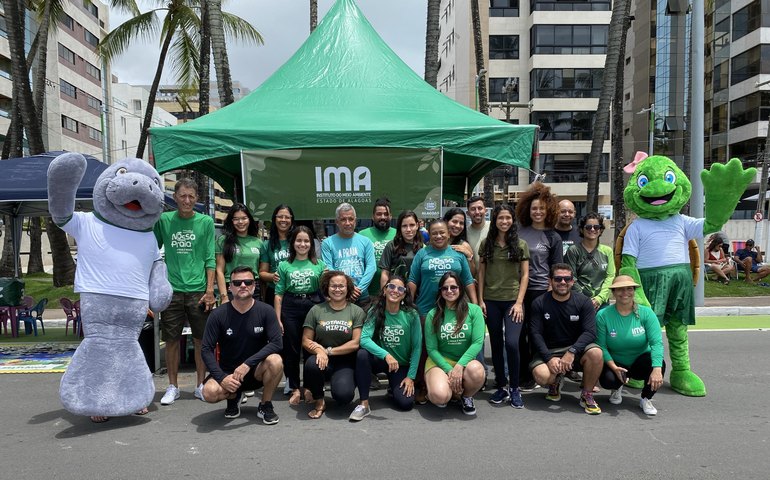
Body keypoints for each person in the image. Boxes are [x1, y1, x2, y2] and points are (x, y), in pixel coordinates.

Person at [154, 178, 216, 405]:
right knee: (171, 340)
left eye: (191, 196)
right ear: (175, 197)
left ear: (197, 198)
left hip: (199, 290)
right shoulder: (164, 220)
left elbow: (210, 258)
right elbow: (151, 248)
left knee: (201, 340)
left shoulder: (206, 222)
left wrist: (210, 290)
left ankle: (200, 385)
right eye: (182, 196)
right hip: (172, 290)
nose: (187, 200)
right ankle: (173, 386)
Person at [200, 266, 284, 424]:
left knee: (276, 360)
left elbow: (276, 343)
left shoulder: (266, 310)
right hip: (229, 373)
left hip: (256, 371)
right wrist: (222, 378)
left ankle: (265, 405)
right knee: (209, 393)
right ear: (230, 287)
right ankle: (233, 396)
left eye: (248, 282)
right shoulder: (218, 314)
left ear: (254, 285)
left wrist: (247, 364)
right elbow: (205, 350)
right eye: (237, 283)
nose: (243, 285)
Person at [529, 264, 603, 415]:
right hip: (550, 351)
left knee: (596, 353)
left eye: (567, 279)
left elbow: (590, 332)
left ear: (572, 281)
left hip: (575, 350)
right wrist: (549, 358)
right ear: (550, 281)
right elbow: (535, 334)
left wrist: (572, 351)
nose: (562, 282)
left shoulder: (583, 301)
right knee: (542, 376)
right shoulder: (539, 303)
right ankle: (555, 381)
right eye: (558, 278)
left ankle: (587, 394)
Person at [477, 205, 529, 408]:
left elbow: (525, 274)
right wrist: (480, 300)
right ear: (495, 220)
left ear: (512, 220)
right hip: (491, 300)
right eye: (500, 218)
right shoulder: (486, 244)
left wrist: (519, 303)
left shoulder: (520, 244)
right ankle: (501, 386)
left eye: (508, 218)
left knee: (512, 344)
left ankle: (515, 387)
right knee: (496, 344)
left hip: (512, 302)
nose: (504, 222)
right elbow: (480, 274)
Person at [350, 275, 422, 421]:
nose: (395, 290)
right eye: (391, 286)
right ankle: (364, 404)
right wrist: (386, 355)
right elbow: (364, 339)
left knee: (406, 403)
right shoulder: (375, 310)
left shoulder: (411, 314)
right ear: (384, 290)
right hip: (382, 360)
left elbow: (417, 347)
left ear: (404, 295)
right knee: (362, 355)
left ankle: (392, 390)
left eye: (400, 288)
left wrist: (410, 377)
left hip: (400, 365)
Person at [515, 182, 562, 390]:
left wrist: (552, 293)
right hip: (518, 291)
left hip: (541, 292)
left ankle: (538, 372)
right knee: (518, 333)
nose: (538, 212)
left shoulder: (554, 237)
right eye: (534, 208)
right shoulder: (518, 231)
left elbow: (557, 268)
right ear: (528, 209)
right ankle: (522, 373)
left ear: (548, 210)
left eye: (542, 208)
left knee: (537, 334)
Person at [596, 275, 666, 416]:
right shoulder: (603, 315)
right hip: (616, 362)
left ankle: (646, 398)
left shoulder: (646, 313)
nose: (625, 293)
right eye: (620, 289)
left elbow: (656, 343)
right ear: (614, 292)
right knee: (608, 380)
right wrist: (614, 367)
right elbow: (601, 346)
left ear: (634, 291)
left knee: (659, 365)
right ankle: (617, 387)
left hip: (640, 360)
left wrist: (657, 368)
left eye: (629, 289)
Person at [274, 226, 327, 406]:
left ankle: (310, 387)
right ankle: (295, 387)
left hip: (313, 306)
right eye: (299, 240)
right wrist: (278, 318)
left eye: (306, 241)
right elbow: (278, 294)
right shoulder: (284, 265)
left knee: (311, 348)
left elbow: (326, 291)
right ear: (293, 243)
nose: (302, 244)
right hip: (290, 307)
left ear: (311, 244)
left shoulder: (319, 265)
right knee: (292, 350)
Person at [302, 271, 365, 419]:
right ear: (327, 288)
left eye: (341, 286)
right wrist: (319, 351)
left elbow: (355, 343)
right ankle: (319, 400)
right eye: (333, 286)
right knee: (312, 365)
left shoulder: (356, 311)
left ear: (348, 288)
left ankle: (337, 384)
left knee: (343, 397)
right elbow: (306, 340)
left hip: (345, 360)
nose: (337, 289)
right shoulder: (316, 310)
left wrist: (328, 352)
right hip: (320, 359)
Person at [423, 272, 486, 415]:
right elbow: (432, 349)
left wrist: (459, 366)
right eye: (445, 288)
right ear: (440, 291)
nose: (449, 291)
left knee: (477, 370)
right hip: (439, 361)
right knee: (440, 397)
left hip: (464, 362)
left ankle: (466, 396)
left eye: (454, 287)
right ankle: (447, 390)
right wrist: (449, 370)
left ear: (461, 289)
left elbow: (477, 342)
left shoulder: (474, 310)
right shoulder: (433, 314)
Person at [321, 203, 376, 304]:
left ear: (355, 220)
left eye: (351, 219)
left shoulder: (366, 241)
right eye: (343, 219)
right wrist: (347, 290)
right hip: (338, 298)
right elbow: (329, 270)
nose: (347, 223)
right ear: (337, 222)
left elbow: (371, 267)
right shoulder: (327, 243)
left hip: (362, 297)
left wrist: (358, 290)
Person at [565, 213, 615, 311]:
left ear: (600, 230)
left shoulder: (607, 251)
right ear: (581, 230)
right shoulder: (573, 250)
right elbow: (571, 277)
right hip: (578, 301)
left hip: (602, 302)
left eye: (596, 227)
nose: (592, 230)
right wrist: (584, 300)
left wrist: (599, 299)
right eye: (588, 227)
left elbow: (610, 276)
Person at [216, 203, 264, 303]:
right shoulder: (223, 240)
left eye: (244, 218)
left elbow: (261, 271)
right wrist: (224, 297)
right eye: (236, 219)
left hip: (253, 289)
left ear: (249, 220)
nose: (240, 222)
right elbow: (219, 270)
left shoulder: (258, 242)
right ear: (231, 221)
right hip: (232, 288)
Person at [359, 197, 396, 298]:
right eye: (379, 214)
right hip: (367, 293)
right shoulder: (362, 235)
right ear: (372, 216)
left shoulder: (398, 234)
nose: (383, 217)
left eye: (386, 214)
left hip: (393, 293)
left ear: (391, 216)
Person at [259, 204, 295, 306]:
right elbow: (262, 273)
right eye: (280, 216)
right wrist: (273, 276)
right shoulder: (267, 245)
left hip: (296, 291)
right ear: (274, 219)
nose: (283, 220)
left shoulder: (298, 241)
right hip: (274, 292)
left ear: (292, 220)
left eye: (287, 217)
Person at [379, 210, 424, 288]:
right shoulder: (391, 245)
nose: (408, 229)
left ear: (417, 225)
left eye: (412, 225)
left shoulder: (423, 247)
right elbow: (385, 273)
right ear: (400, 228)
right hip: (395, 293)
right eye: (404, 226)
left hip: (418, 295)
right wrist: (384, 293)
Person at [443, 207, 477, 277]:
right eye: (454, 221)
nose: (458, 226)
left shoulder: (464, 246)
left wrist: (469, 255)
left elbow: (471, 274)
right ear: (446, 221)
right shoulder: (436, 242)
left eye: (461, 223)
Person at [465, 196, 489, 274]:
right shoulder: (464, 233)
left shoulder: (494, 228)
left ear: (486, 210)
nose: (477, 212)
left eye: (480, 208)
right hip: (474, 280)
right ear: (468, 213)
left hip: (493, 281)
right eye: (473, 209)